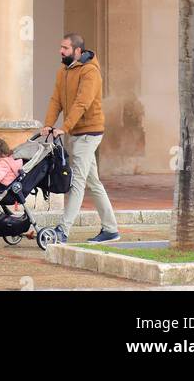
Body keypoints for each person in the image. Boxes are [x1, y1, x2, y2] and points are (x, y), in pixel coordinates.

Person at [42, 33, 119, 244]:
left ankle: (63, 230)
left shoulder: (90, 71)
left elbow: (82, 103)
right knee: (93, 182)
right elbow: (56, 99)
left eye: (65, 48)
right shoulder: (63, 70)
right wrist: (49, 124)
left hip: (89, 133)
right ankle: (111, 229)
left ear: (77, 51)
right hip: (76, 133)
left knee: (77, 181)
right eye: (61, 47)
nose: (61, 51)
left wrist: (64, 128)